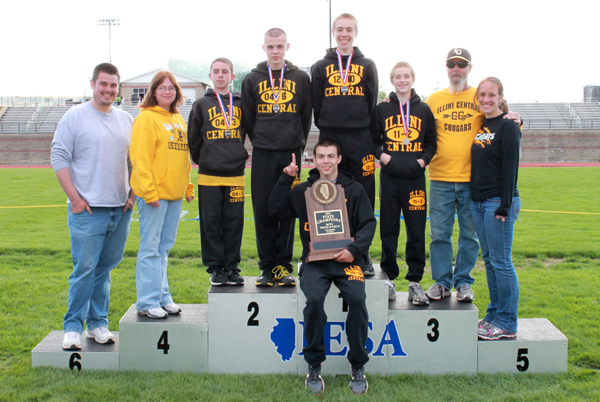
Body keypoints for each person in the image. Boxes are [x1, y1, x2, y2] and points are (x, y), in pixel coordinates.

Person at [269, 138, 375, 396]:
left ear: (339, 159)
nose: (326, 161)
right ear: (313, 160)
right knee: (314, 301)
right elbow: (275, 211)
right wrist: (286, 179)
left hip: (347, 261)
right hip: (315, 262)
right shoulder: (303, 190)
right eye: (321, 156)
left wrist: (353, 250)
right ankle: (314, 364)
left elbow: (369, 224)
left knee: (358, 300)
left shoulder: (355, 189)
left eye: (331, 156)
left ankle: (358, 365)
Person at [424, 48, 521, 303]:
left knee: (469, 234)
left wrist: (516, 120)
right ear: (446, 67)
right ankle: (442, 282)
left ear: (469, 68)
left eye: (461, 64)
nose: (456, 68)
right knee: (439, 234)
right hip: (440, 177)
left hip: (473, 181)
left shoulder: (479, 94)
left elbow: (499, 118)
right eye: (452, 64)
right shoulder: (434, 99)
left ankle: (464, 282)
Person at [51, 63, 135, 350]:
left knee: (104, 270)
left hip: (119, 209)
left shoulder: (126, 120)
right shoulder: (74, 117)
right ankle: (73, 327)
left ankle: (97, 323)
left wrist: (132, 195)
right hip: (87, 210)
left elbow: (135, 162)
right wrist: (75, 198)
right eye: (104, 84)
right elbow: (59, 157)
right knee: (85, 270)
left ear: (118, 87)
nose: (108, 90)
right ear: (92, 84)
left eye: (113, 85)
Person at [241, 28, 311, 287]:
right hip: (262, 154)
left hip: (290, 154)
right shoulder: (252, 79)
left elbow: (305, 116)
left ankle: (284, 266)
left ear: (287, 47)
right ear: (263, 48)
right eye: (270, 46)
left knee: (287, 209)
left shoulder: (301, 78)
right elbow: (248, 118)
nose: (275, 51)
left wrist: (297, 145)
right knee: (263, 210)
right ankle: (267, 267)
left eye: (279, 46)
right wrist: (261, 139)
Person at [310, 13, 378, 275]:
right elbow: (317, 102)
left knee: (363, 192)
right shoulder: (320, 65)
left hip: (360, 137)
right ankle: (329, 248)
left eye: (349, 29)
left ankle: (362, 251)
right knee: (328, 192)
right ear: (333, 33)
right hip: (331, 135)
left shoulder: (368, 64)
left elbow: (371, 102)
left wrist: (369, 139)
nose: (344, 34)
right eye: (339, 29)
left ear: (356, 33)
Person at [130, 70, 194, 319]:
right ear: (153, 91)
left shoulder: (177, 118)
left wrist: (186, 187)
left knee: (164, 248)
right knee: (150, 248)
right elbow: (140, 158)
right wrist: (148, 191)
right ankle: (146, 301)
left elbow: (183, 159)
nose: (167, 92)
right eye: (162, 88)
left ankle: (162, 296)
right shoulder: (146, 119)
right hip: (154, 195)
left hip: (175, 194)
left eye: (172, 88)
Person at [371, 62, 437, 304]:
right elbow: (373, 140)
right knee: (388, 229)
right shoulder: (382, 109)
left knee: (416, 230)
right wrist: (383, 156)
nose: (402, 80)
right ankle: (388, 278)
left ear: (412, 79)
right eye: (397, 76)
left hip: (415, 179)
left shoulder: (424, 109)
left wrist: (422, 162)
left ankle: (414, 282)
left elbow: (432, 143)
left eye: (406, 76)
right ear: (392, 80)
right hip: (389, 178)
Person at [188, 57, 247, 286]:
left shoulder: (241, 103)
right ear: (210, 76)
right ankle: (215, 268)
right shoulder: (201, 104)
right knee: (211, 222)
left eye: (225, 71)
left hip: (235, 174)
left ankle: (232, 267)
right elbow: (193, 138)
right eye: (216, 71)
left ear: (232, 77)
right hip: (209, 174)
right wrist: (205, 159)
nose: (220, 75)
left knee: (234, 222)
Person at [470, 77, 521, 340]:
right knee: (489, 261)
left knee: (502, 262)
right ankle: (493, 314)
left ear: (501, 97)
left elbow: (511, 167)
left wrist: (504, 205)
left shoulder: (509, 126)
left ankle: (507, 322)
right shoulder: (483, 124)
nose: (486, 100)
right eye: (482, 95)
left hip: (497, 203)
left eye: (491, 95)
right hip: (478, 203)